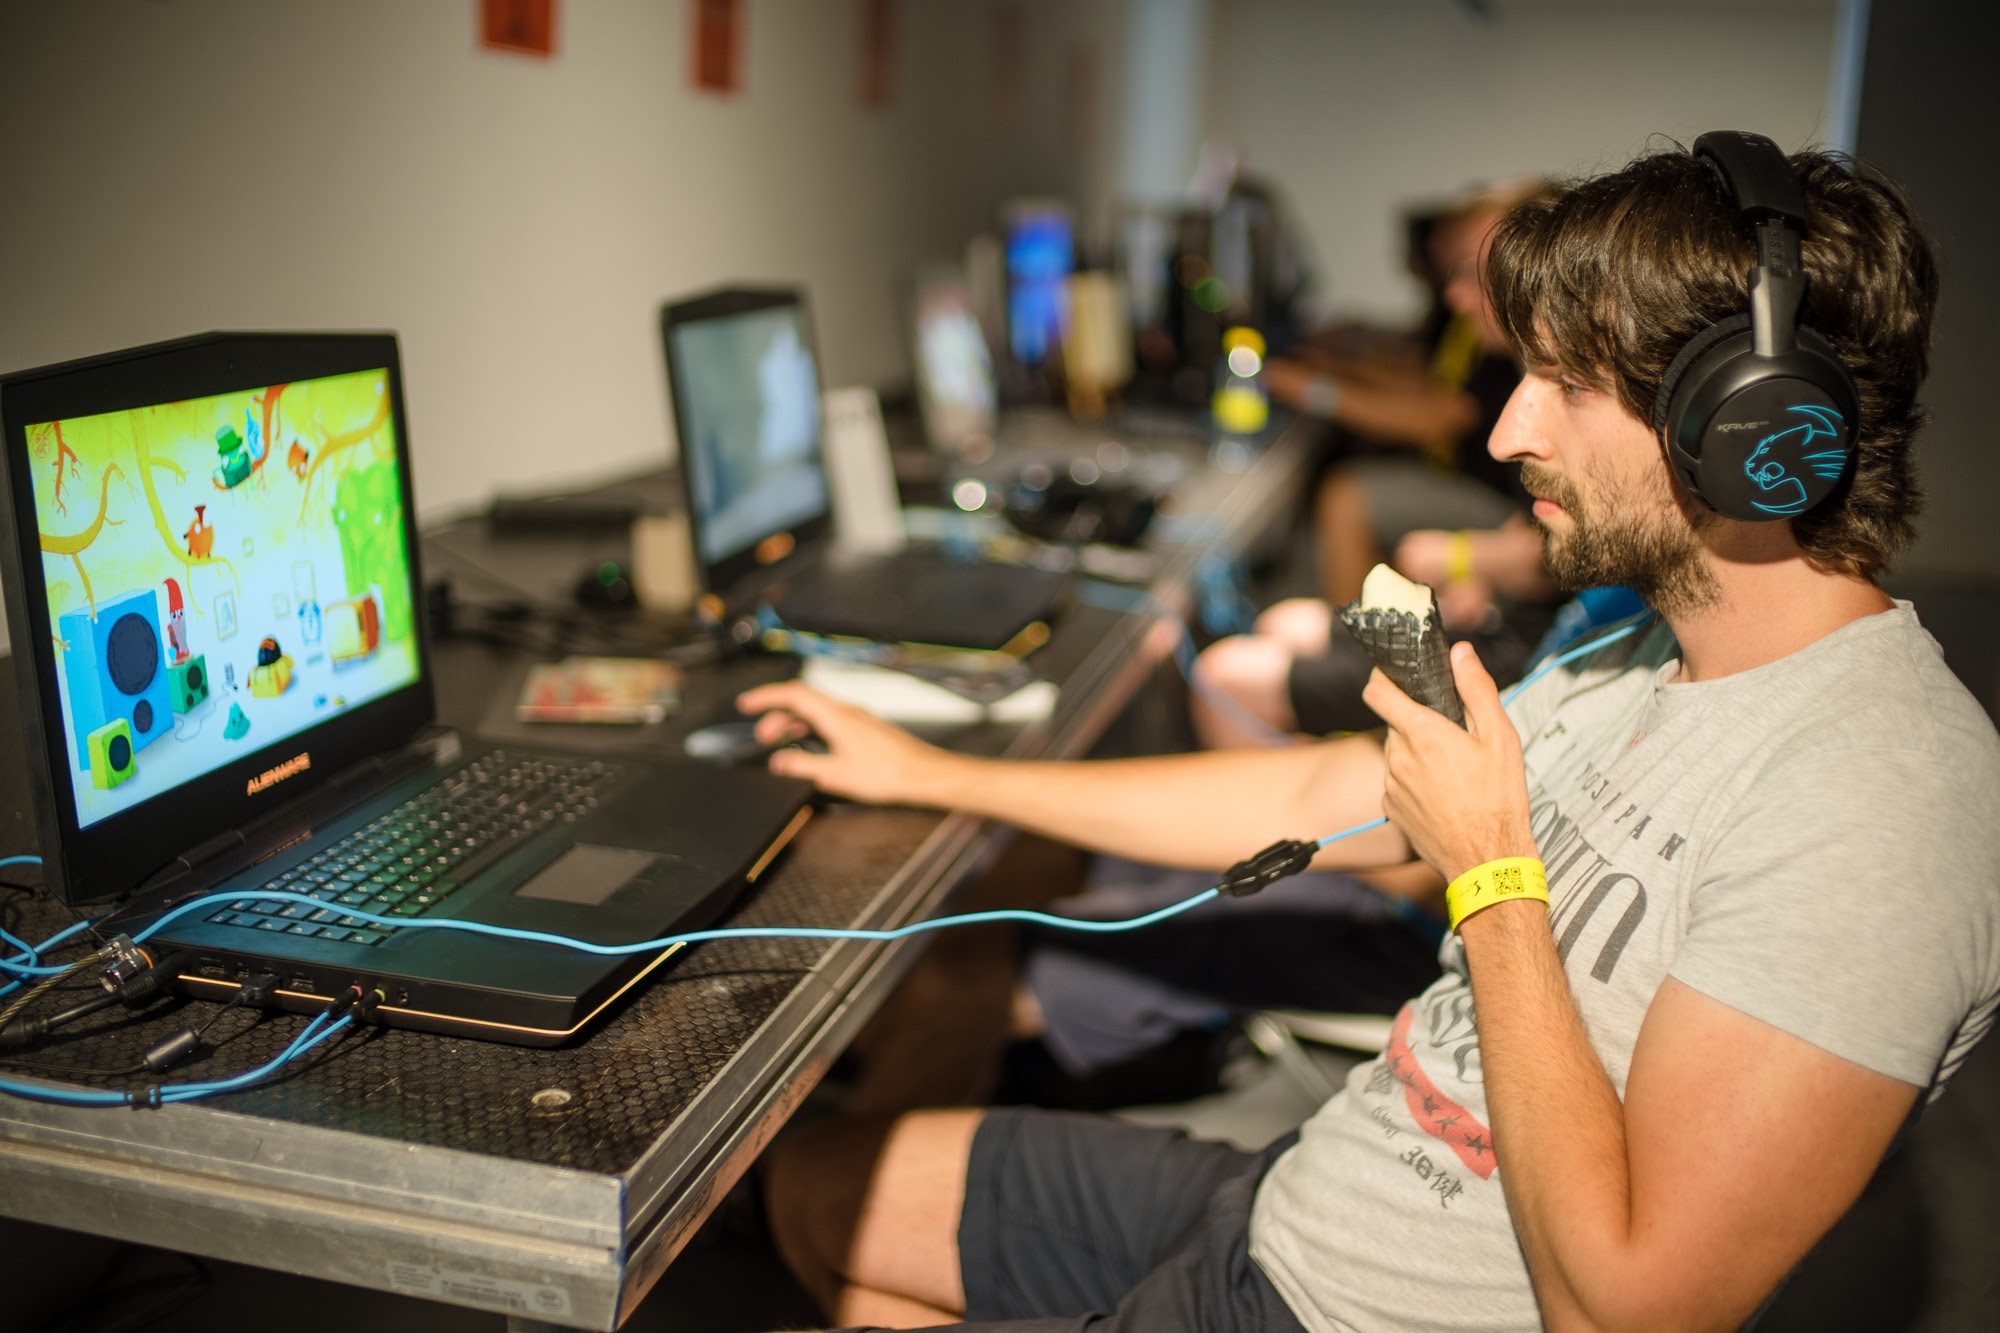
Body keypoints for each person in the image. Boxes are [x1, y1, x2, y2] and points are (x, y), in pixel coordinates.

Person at [742, 136, 2000, 1331]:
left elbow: (1627, 1306)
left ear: (1744, 423)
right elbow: (1324, 794)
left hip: (1352, 1307)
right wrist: (941, 773)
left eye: (1567, 386)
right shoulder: (1633, 648)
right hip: (1306, 1195)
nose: (1506, 433)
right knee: (820, 1185)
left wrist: (1490, 871)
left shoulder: (1886, 800)